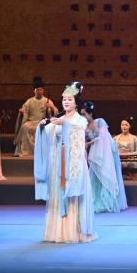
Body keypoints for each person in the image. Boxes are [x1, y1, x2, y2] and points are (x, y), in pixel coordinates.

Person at [34, 81, 97, 243]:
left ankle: (74, 231)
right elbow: (48, 137)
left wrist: (66, 124)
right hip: (58, 162)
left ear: (76, 102)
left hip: (72, 164)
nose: (66, 102)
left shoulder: (80, 120)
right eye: (64, 99)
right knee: (58, 193)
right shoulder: (58, 119)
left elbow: (79, 134)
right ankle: (58, 231)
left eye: (70, 99)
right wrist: (42, 127)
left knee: (71, 194)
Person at [80, 101, 128, 213]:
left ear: (90, 113)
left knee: (109, 173)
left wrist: (89, 143)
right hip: (97, 153)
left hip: (108, 151)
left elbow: (102, 137)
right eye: (81, 114)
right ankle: (99, 200)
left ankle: (110, 201)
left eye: (84, 114)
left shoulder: (100, 121)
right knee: (96, 174)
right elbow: (85, 141)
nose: (82, 117)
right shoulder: (84, 127)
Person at [15, 76, 58, 156]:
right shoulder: (29, 101)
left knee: (45, 127)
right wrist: (21, 112)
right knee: (24, 127)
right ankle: (26, 151)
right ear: (34, 91)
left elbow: (56, 112)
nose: (39, 91)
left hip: (42, 121)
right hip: (31, 122)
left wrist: (51, 107)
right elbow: (24, 110)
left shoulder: (47, 101)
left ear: (43, 90)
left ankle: (42, 152)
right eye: (37, 90)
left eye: (41, 89)